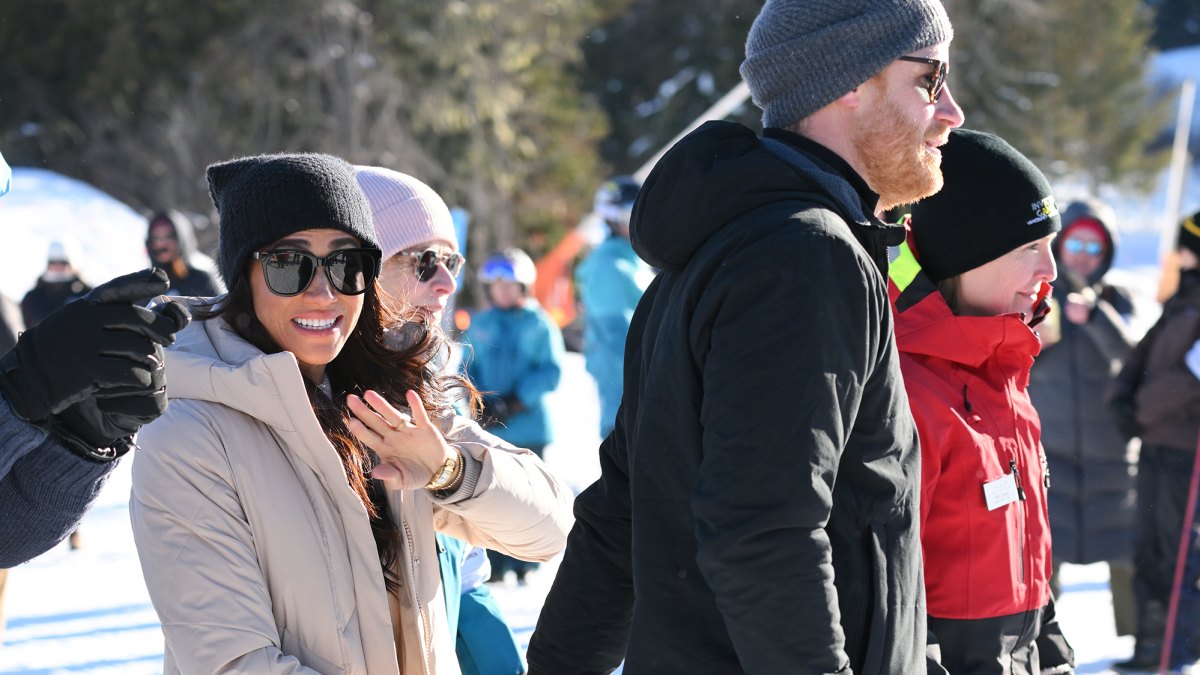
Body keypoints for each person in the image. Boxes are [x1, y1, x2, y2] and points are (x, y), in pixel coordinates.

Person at [527, 0, 964, 671]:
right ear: (850, 79)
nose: (951, 111)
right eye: (930, 79)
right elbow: (764, 532)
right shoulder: (805, 257)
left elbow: (626, 513)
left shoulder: (720, 244)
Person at [129, 153, 572, 674]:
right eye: (288, 264)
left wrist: (448, 471)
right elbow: (233, 664)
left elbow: (551, 530)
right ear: (244, 276)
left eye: (346, 263)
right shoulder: (190, 433)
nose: (323, 292)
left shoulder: (391, 396)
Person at [888, 129, 1073, 674]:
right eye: (1029, 248)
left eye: (1050, 246)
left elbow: (1025, 564)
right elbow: (888, 593)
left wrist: (1052, 654)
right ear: (962, 259)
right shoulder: (908, 393)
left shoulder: (1004, 376)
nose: (1051, 271)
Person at [355, 165, 525, 675]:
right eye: (423, 261)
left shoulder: (433, 368)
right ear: (360, 267)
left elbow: (549, 525)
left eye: (451, 260)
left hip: (457, 592)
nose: (448, 282)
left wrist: (452, 472)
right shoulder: (308, 392)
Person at [1027, 198, 1138, 638]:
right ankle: (1039, 642)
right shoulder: (1035, 295)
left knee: (1127, 556)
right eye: (1076, 244)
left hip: (1110, 457)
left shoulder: (1116, 300)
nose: (1084, 256)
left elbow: (1133, 359)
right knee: (1042, 559)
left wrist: (1095, 316)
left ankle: (1142, 650)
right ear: (1060, 245)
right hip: (1050, 453)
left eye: (1095, 248)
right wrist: (1034, 335)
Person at [1107, 212, 1200, 672]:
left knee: (1174, 550)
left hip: (1184, 451)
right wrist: (1121, 398)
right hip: (1156, 446)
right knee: (1147, 546)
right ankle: (1152, 644)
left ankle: (1173, 647)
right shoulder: (1182, 300)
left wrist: (1138, 410)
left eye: (1183, 247)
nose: (1175, 256)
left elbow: (1190, 375)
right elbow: (1145, 356)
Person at [463, 248, 565, 585]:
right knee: (495, 497)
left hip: (529, 427)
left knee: (530, 497)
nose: (502, 291)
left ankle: (527, 561)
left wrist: (518, 400)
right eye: (496, 286)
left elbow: (551, 370)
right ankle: (497, 559)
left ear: (523, 286)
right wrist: (477, 401)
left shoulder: (538, 323)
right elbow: (468, 367)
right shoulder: (482, 323)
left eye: (509, 285)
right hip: (493, 428)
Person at [575, 176, 654, 437]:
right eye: (632, 213)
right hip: (629, 402)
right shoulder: (609, 267)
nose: (640, 220)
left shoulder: (634, 261)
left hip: (645, 397)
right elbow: (619, 341)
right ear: (612, 218)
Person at [145, 210, 223, 297]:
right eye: (155, 237)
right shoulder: (144, 287)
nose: (161, 243)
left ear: (181, 239)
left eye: (169, 236)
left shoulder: (201, 281)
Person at [20, 238, 92, 328]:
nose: (57, 267)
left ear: (73, 264)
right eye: (53, 262)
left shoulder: (88, 296)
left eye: (63, 263)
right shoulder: (33, 298)